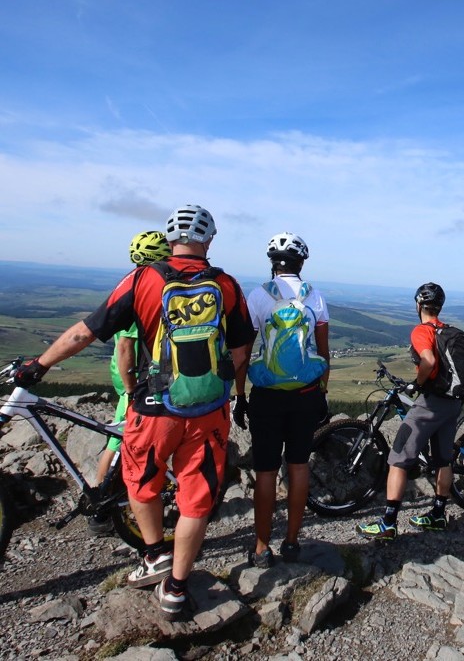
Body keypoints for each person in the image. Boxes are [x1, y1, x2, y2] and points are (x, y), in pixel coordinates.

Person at [14, 205, 254, 619]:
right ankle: (176, 589)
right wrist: (232, 391)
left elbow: (86, 331)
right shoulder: (227, 284)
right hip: (209, 409)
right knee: (197, 498)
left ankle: (154, 552)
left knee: (141, 482)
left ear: (170, 238)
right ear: (209, 240)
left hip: (154, 407)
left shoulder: (143, 278)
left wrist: (40, 365)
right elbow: (241, 347)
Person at [233, 231, 330, 568]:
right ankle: (291, 542)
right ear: (301, 262)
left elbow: (243, 352)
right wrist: (322, 394)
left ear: (272, 262)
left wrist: (239, 396)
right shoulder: (315, 298)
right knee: (299, 466)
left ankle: (261, 548)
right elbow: (323, 352)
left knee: (265, 472)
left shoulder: (257, 297)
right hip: (305, 396)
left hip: (266, 397)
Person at [356, 282, 464, 540]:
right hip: (453, 403)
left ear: (418, 305)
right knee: (444, 458)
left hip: (431, 402)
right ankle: (437, 514)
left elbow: (430, 361)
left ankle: (388, 523)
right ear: (440, 307)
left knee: (399, 457)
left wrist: (418, 383)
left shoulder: (422, 331)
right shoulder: (451, 332)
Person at [88, 230, 172, 536]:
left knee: (120, 437)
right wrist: (130, 389)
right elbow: (125, 347)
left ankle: (102, 499)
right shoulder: (147, 290)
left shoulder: (132, 284)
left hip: (124, 376)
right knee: (118, 439)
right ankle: (99, 508)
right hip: (134, 381)